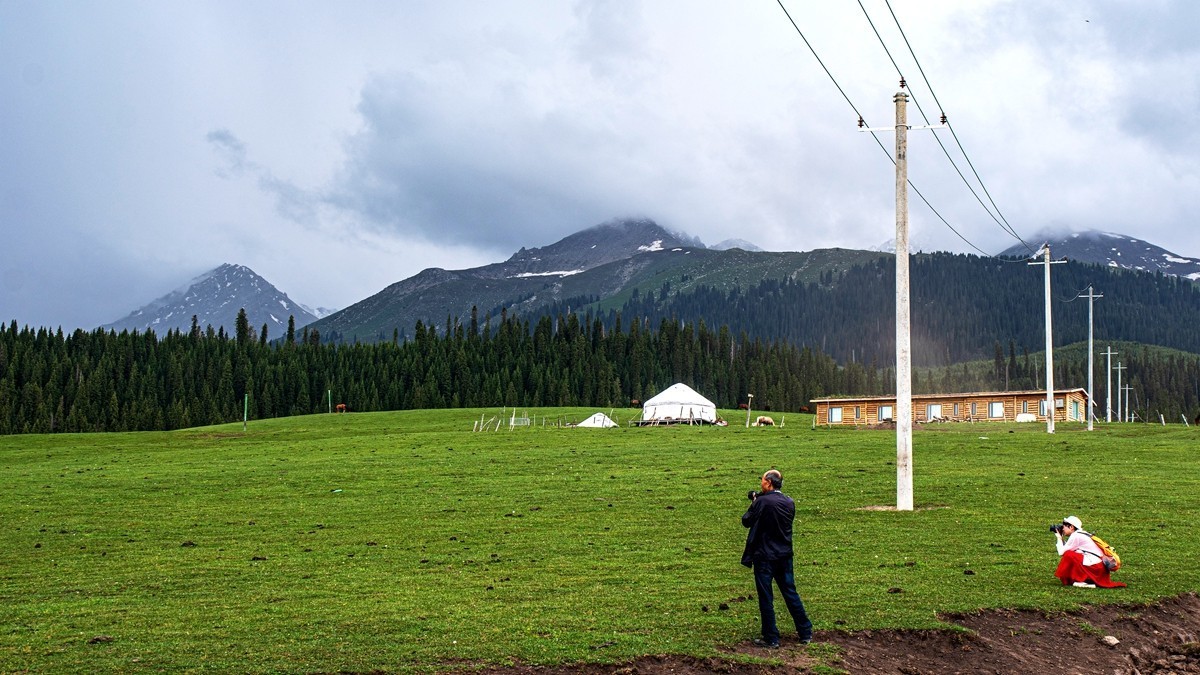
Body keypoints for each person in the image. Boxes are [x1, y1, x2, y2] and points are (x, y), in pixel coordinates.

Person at [741, 469, 813, 648]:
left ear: (768, 483)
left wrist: (755, 503)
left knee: (766, 596)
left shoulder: (762, 502)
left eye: (763, 480)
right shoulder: (789, 502)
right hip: (784, 555)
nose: (761, 483)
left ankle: (771, 637)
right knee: (790, 592)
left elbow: (746, 521)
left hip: (764, 556)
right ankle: (805, 632)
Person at [1052, 515, 1125, 588]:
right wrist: (1061, 538)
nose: (1063, 528)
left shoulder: (1076, 536)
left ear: (1071, 527)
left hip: (1096, 567)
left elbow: (1062, 552)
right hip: (1099, 567)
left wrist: (1058, 537)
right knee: (1074, 554)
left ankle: (1081, 581)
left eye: (1064, 526)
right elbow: (1068, 548)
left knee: (1069, 555)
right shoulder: (1081, 534)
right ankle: (1082, 580)